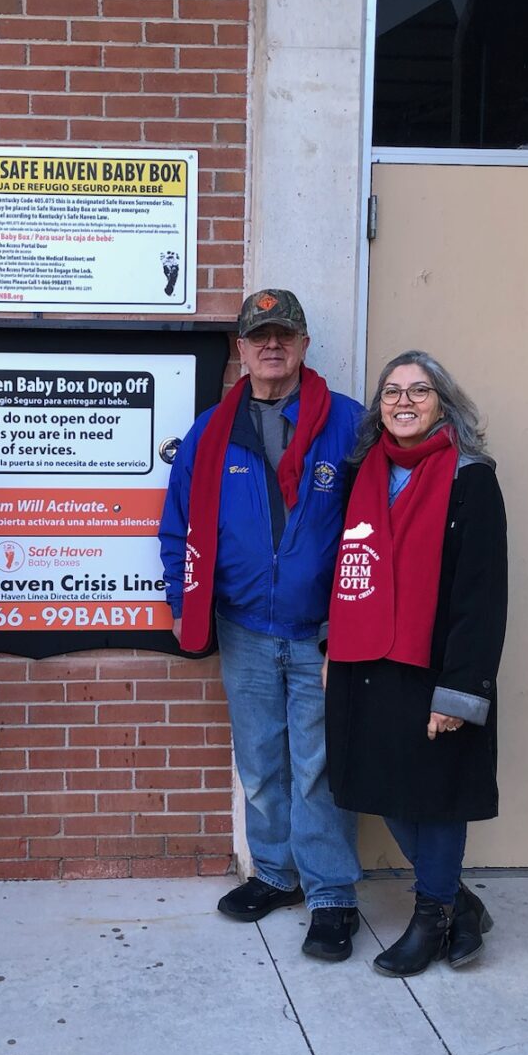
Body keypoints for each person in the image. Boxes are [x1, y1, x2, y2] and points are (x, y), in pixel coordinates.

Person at [158, 289, 366, 962]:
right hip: (245, 627)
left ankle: (332, 894)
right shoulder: (210, 434)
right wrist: (181, 600)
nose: (272, 346)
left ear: (304, 345)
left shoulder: (350, 426)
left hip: (322, 632)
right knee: (260, 764)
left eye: (285, 335)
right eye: (259, 337)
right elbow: (177, 528)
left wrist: (356, 617)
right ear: (240, 350)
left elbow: (377, 534)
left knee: (318, 768)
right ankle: (276, 873)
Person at [322, 350, 508, 977]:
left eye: (419, 391)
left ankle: (431, 916)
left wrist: (459, 692)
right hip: (368, 660)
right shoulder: (362, 472)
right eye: (392, 391)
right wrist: (331, 649)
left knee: (437, 795)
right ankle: (457, 902)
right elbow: (341, 570)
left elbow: (481, 596)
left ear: (442, 402)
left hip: (436, 666)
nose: (403, 402)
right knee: (387, 787)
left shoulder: (471, 478)